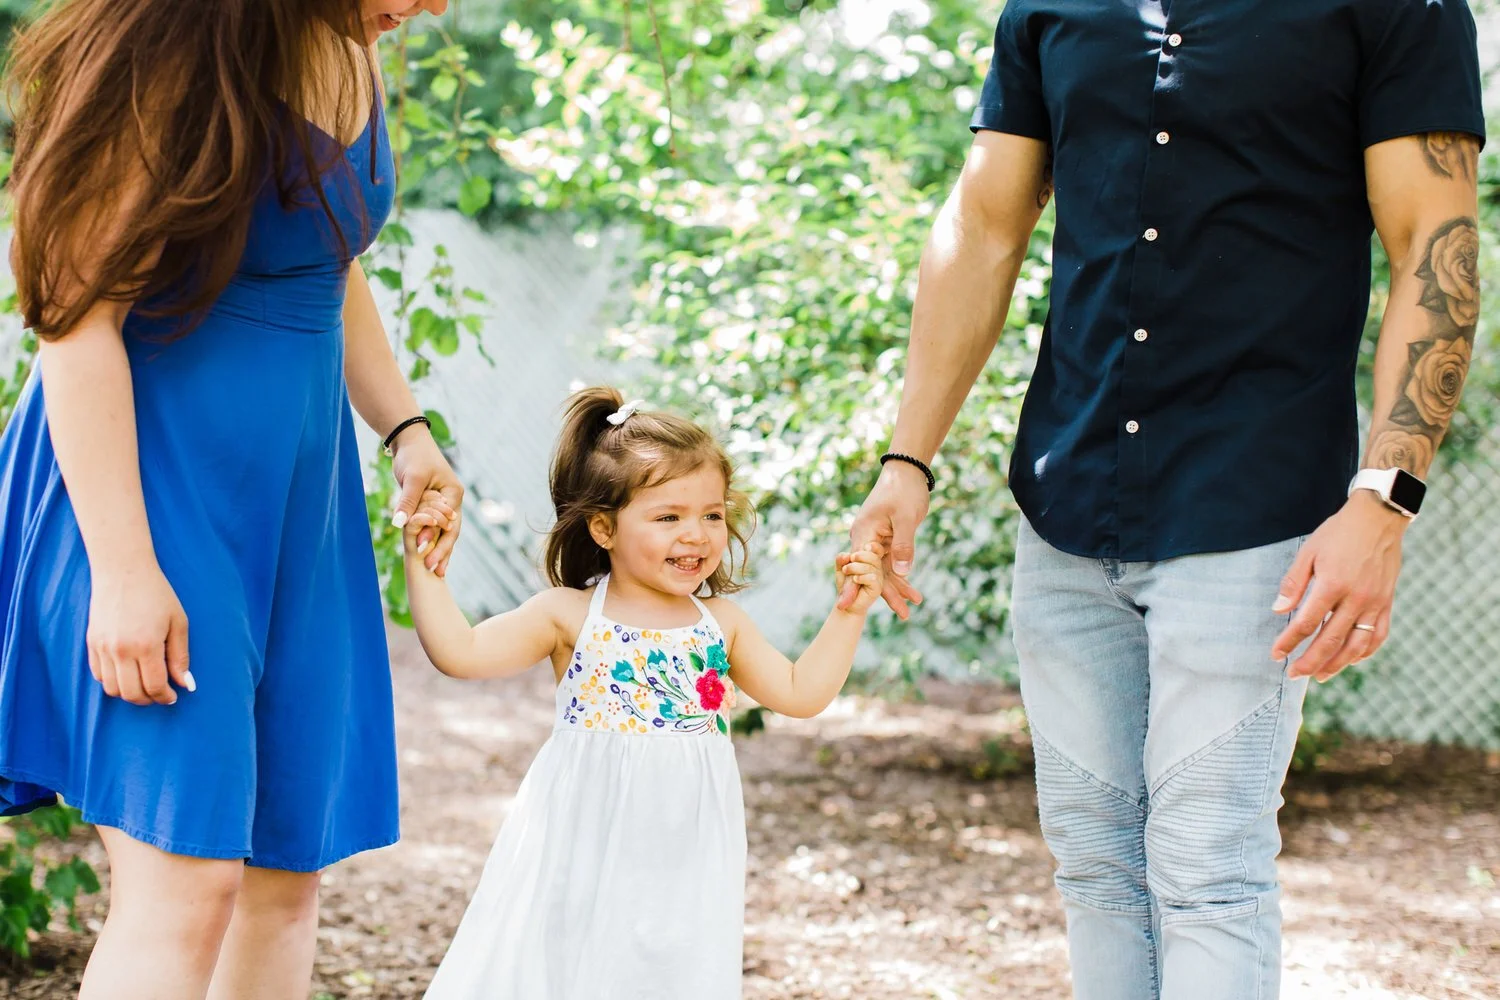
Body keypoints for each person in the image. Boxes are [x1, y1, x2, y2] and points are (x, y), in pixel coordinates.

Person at [844, 2, 1483, 998]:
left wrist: (1383, 499)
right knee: (1097, 862)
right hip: (1066, 498)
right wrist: (905, 462)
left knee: (1207, 868)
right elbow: (980, 225)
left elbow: (1434, 245)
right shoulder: (1050, 8)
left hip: (1255, 506)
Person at [0, 3, 457, 998]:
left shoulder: (349, 47)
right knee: (189, 880)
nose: (433, 7)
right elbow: (71, 318)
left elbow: (328, 262)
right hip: (152, 497)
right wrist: (123, 572)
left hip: (299, 512)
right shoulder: (176, 49)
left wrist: (406, 428)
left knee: (284, 882)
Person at [405, 386, 884, 999]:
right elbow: (461, 653)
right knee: (574, 971)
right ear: (603, 527)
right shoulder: (569, 615)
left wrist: (848, 613)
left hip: (687, 849)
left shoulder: (722, 624)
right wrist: (423, 561)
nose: (698, 535)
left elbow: (800, 692)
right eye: (669, 517)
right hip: (583, 842)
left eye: (712, 514)